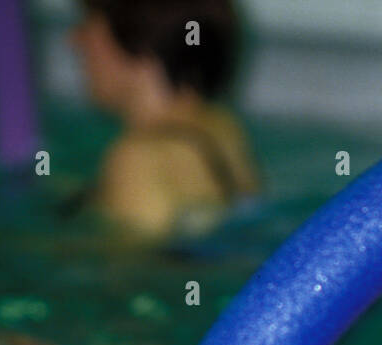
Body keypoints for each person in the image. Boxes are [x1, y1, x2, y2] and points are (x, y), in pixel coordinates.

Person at [69, 0, 260, 241]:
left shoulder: (138, 159)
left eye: (90, 24)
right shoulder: (223, 127)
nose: (74, 39)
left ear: (138, 41)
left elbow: (133, 272)